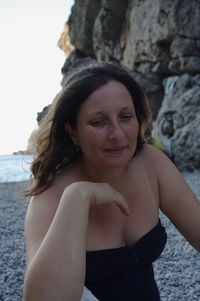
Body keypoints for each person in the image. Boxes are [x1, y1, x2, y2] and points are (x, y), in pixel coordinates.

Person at [23, 61, 200, 301]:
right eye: (99, 122)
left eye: (125, 117)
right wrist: (76, 198)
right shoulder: (51, 195)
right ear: (73, 132)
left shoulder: (150, 163)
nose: (117, 134)